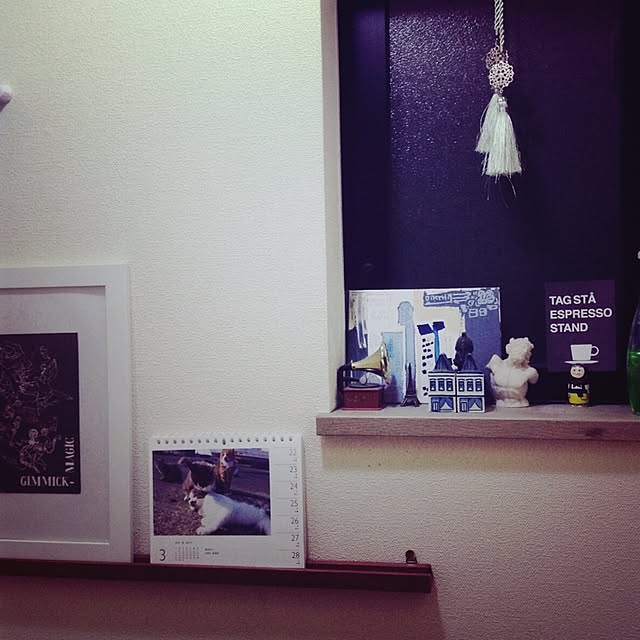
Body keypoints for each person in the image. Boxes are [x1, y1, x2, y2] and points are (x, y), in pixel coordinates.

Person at [487, 337, 539, 408]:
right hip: (500, 404)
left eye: (523, 351)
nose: (520, 352)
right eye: (517, 349)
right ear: (508, 349)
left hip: (520, 404)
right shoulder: (496, 364)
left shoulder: (529, 371)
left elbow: (534, 380)